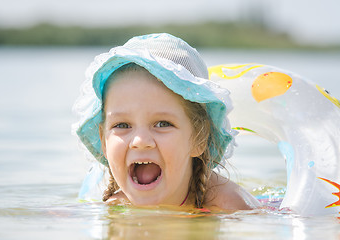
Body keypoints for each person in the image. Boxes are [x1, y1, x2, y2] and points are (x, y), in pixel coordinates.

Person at [73, 33, 260, 210]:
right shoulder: (115, 208)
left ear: (199, 139)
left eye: (162, 124)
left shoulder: (228, 204)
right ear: (103, 140)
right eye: (122, 125)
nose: (140, 141)